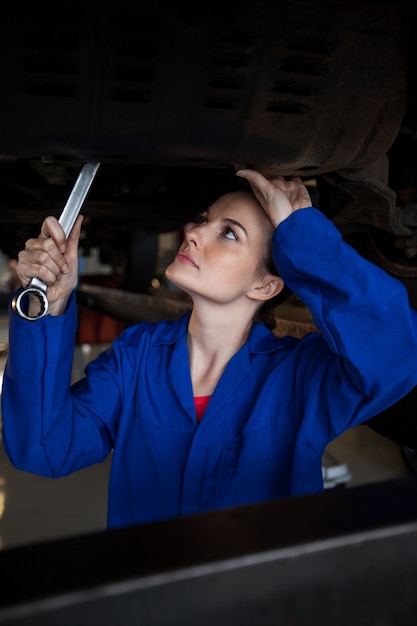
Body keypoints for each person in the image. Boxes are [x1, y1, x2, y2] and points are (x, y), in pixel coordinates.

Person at [2, 169, 417, 530]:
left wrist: (305, 238)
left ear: (265, 285)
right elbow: (44, 448)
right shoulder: (137, 357)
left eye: (229, 233)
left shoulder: (300, 377)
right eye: (204, 220)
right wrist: (48, 307)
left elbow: (395, 353)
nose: (193, 232)